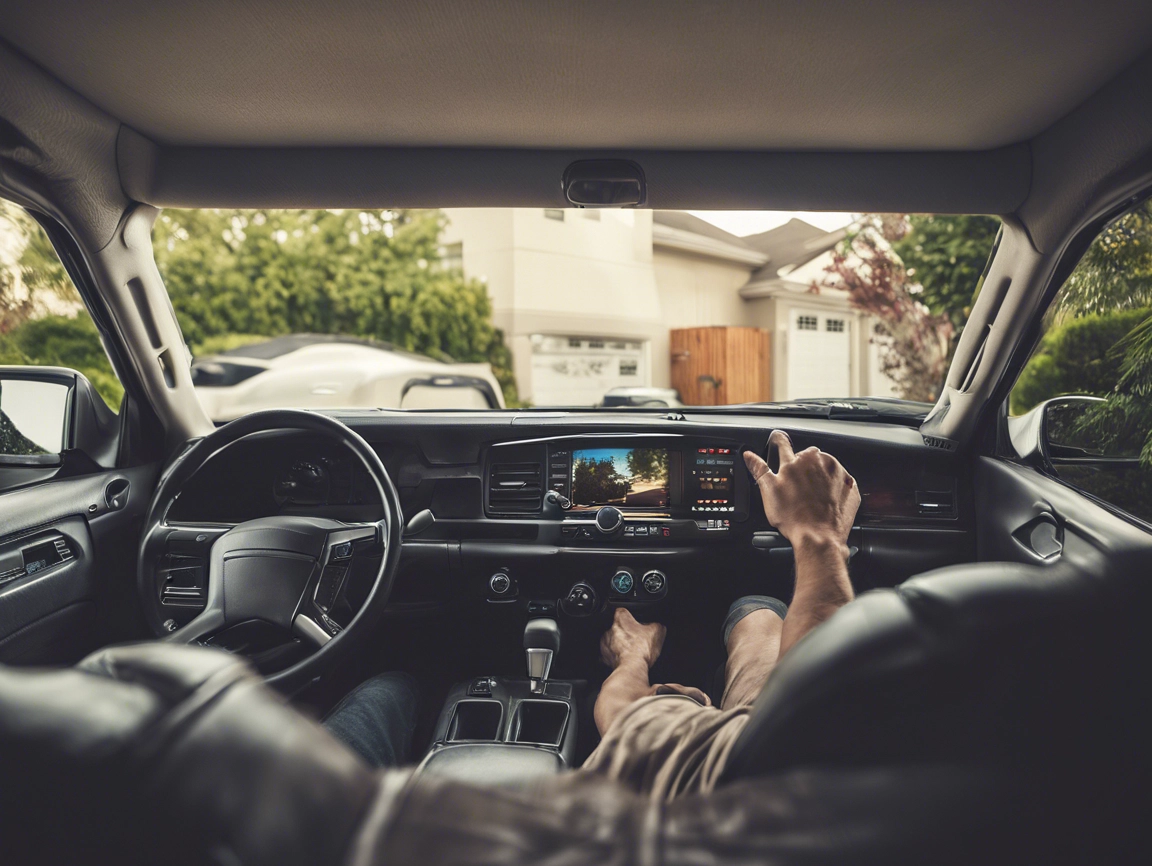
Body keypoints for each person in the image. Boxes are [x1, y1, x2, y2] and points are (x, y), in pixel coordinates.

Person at [581, 429, 860, 800]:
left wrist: (633, 654)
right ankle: (753, 613)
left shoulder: (682, 772)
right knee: (760, 616)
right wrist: (821, 535)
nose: (671, 690)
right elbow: (816, 713)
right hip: (761, 748)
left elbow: (618, 712)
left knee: (756, 617)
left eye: (662, 696)